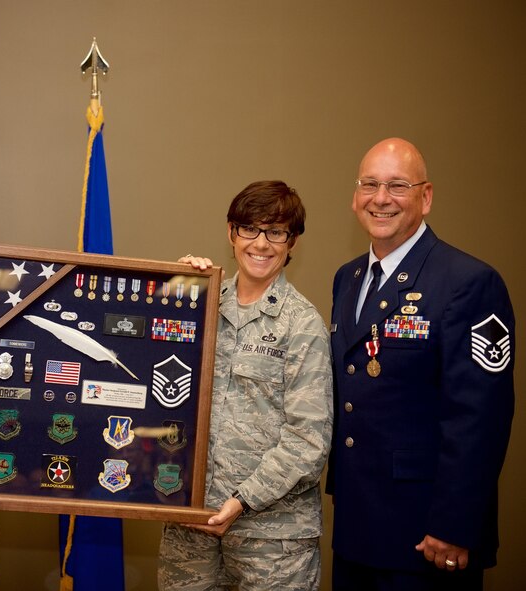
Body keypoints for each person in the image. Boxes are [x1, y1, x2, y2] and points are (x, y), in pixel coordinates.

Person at [327, 137, 515, 590]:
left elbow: (479, 419)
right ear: (355, 196)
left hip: (425, 535)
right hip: (357, 526)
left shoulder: (468, 283)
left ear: (425, 197)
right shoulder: (348, 278)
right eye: (370, 184)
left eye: (397, 185)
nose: (381, 198)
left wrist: (455, 524)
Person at [159, 180, 333, 590]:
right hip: (190, 528)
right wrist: (174, 290)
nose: (261, 243)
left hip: (273, 540)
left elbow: (308, 439)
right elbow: (147, 375)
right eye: (249, 229)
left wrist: (241, 501)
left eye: (276, 232)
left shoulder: (302, 324)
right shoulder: (199, 305)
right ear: (231, 233)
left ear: (292, 243)